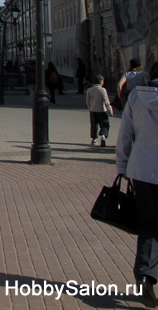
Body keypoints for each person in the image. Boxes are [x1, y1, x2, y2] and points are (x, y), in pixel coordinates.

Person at [116, 61, 158, 308]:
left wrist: (122, 166)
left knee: (150, 226)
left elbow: (125, 135)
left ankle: (144, 274)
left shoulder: (136, 98)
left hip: (142, 171)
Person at [86, 75, 112, 146]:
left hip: (93, 110)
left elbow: (87, 101)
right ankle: (103, 136)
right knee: (104, 124)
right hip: (102, 110)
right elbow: (106, 101)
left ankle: (94, 139)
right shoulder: (102, 90)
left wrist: (90, 107)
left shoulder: (89, 90)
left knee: (94, 125)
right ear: (101, 82)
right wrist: (110, 110)